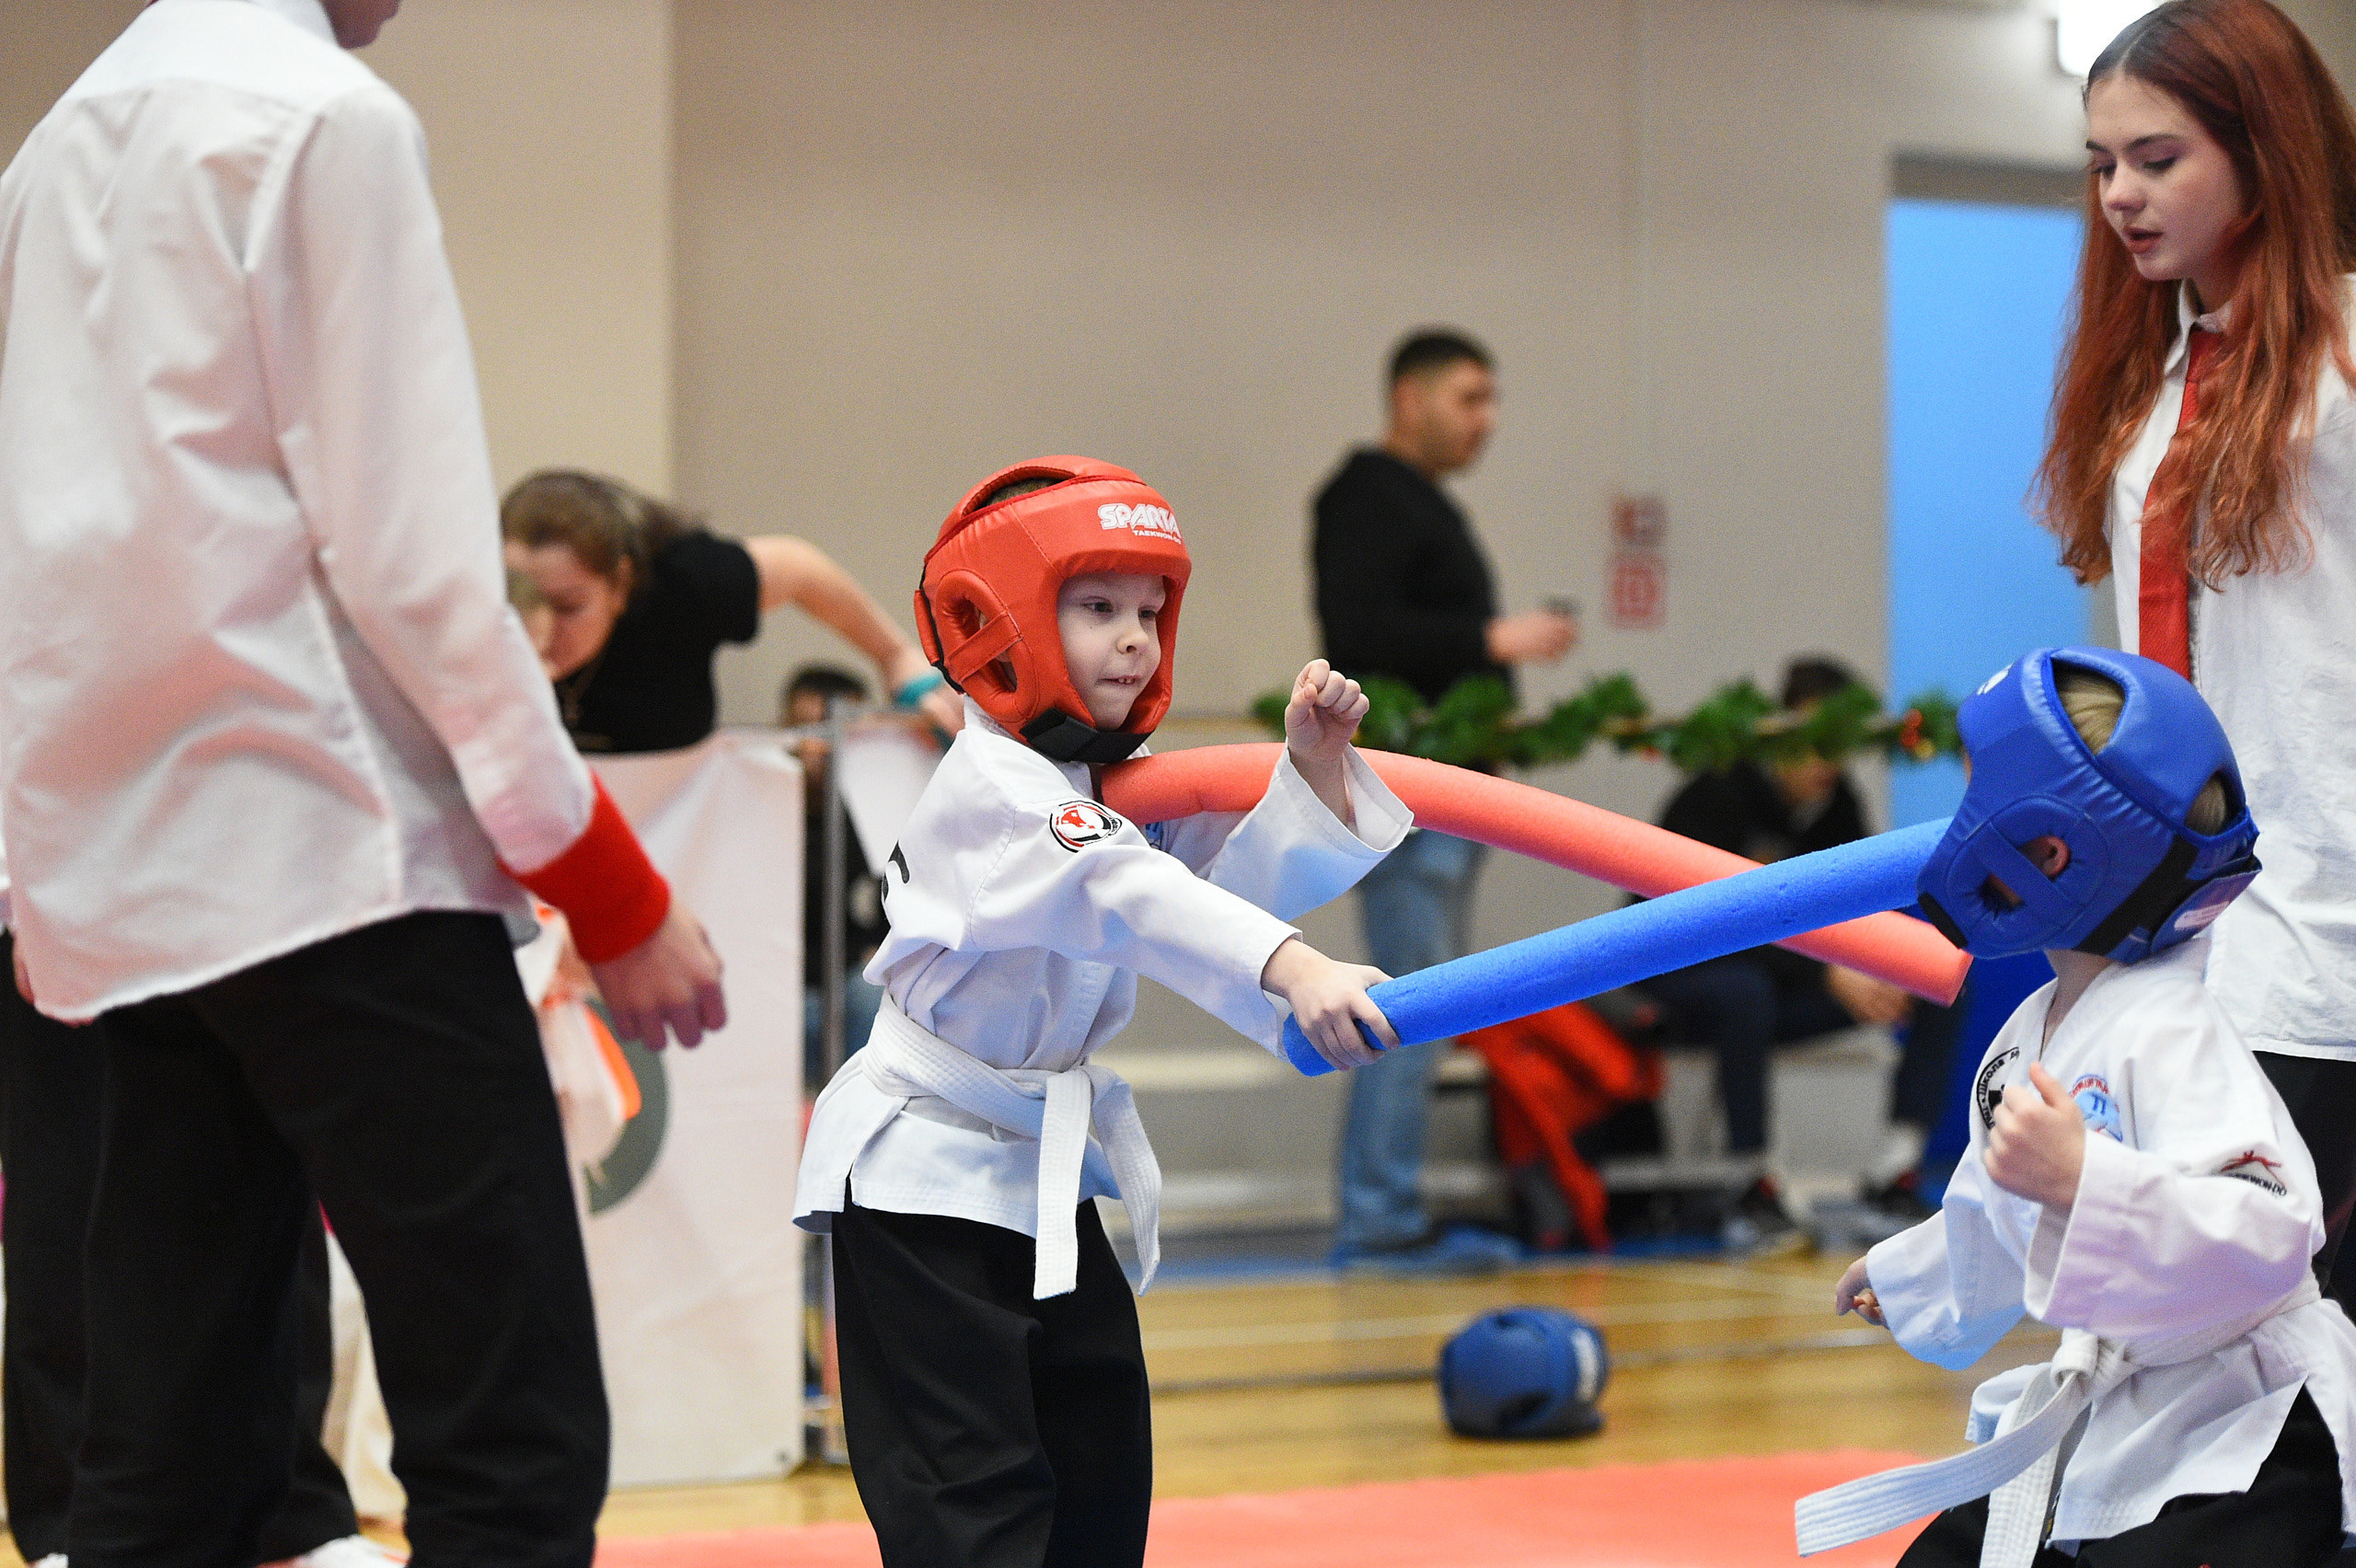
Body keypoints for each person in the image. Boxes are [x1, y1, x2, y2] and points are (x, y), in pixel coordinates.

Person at [0, 3, 727, 1564]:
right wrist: (608, 877)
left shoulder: (54, 145)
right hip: (332, 864)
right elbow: (416, 568)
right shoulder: (325, 119)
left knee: (164, 1455)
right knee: (509, 1429)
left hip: (132, 883)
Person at [795, 457, 1411, 1567]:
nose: (1133, 638)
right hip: (920, 1191)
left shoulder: (1097, 789)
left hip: (1041, 1179)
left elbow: (1210, 899)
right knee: (970, 1508)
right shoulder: (994, 790)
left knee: (1098, 1478)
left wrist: (1310, 774)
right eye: (1095, 608)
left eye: (1147, 611)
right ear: (999, 620)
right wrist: (1295, 969)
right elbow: (1132, 897)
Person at [1806, 647, 2356, 1568]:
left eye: (1976, 794)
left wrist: (2088, 1179)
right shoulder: (2028, 1034)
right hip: (2120, 1412)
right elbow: (1996, 1208)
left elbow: (2270, 1229)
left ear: (2052, 849)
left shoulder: (2173, 1029)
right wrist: (1904, 1274)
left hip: (2249, 1428)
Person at [2035, 0, 2356, 1304]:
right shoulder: (2155, 380)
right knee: (2196, 1350)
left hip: (2328, 935)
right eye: (2103, 162)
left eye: (2159, 159)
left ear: (2265, 152)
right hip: (2195, 937)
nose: (2121, 193)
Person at [1311, 328, 1578, 1271]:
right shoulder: (1364, 498)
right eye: (1470, 398)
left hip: (1438, 801)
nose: (1487, 421)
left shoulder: (1417, 505)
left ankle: (1385, 1208)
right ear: (1408, 399)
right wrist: (1491, 640)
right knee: (1404, 1008)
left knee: (1422, 1008)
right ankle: (1376, 1216)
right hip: (1404, 798)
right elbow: (1362, 629)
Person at [1634, 657, 1963, 1252]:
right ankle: (1749, 1188)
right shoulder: (1714, 798)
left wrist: (1876, 967)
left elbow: (1865, 907)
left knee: (1939, 976)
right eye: (1815, 745)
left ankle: (1895, 1171)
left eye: (1839, 748)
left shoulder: (1840, 809)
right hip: (1682, 977)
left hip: (1788, 987)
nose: (1828, 764)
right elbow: (1717, 923)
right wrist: (1827, 971)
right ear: (1781, 728)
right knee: (1744, 992)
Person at [503, 469, 963, 754]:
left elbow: (800, 568)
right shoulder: (471, 616)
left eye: (569, 607)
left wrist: (895, 655)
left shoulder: (685, 583)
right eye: (519, 602)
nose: (541, 633)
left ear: (620, 585)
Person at [780, 664, 890, 1082]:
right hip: (781, 986)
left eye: (835, 733)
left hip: (851, 983)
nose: (818, 747)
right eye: (805, 729)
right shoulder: (760, 809)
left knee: (874, 996)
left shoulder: (874, 811)